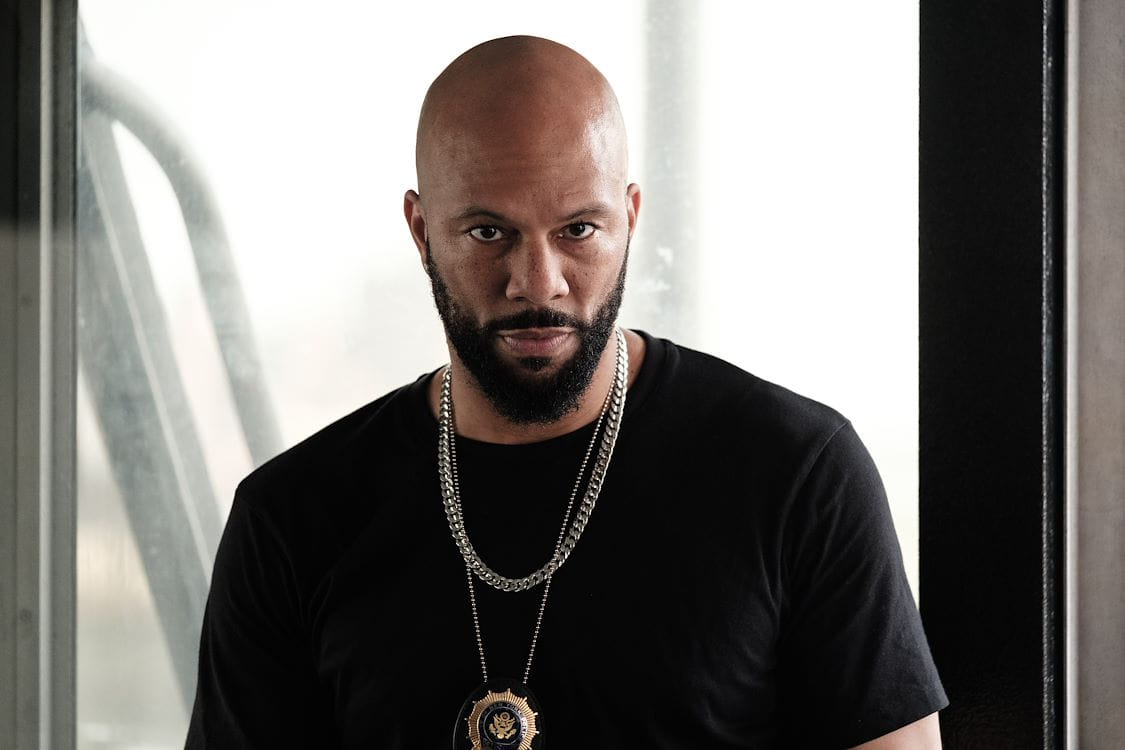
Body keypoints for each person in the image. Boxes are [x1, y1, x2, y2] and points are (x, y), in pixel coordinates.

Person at [186, 35, 947, 749]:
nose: (538, 282)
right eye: (489, 233)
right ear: (421, 231)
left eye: (578, 230)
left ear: (630, 218)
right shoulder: (290, 519)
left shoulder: (796, 474)